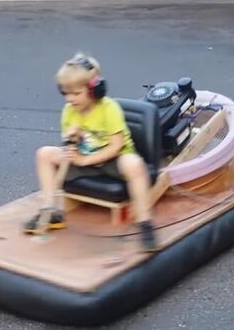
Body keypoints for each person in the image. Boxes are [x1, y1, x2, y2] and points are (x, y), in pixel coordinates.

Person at [24, 52, 158, 252]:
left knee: (135, 165)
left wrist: (85, 160)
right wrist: (72, 140)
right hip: (84, 157)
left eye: (76, 94)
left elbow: (115, 147)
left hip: (113, 159)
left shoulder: (109, 109)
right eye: (65, 93)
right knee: (44, 153)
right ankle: (50, 210)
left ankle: (144, 221)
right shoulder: (69, 110)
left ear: (94, 90)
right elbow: (70, 146)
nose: (70, 99)